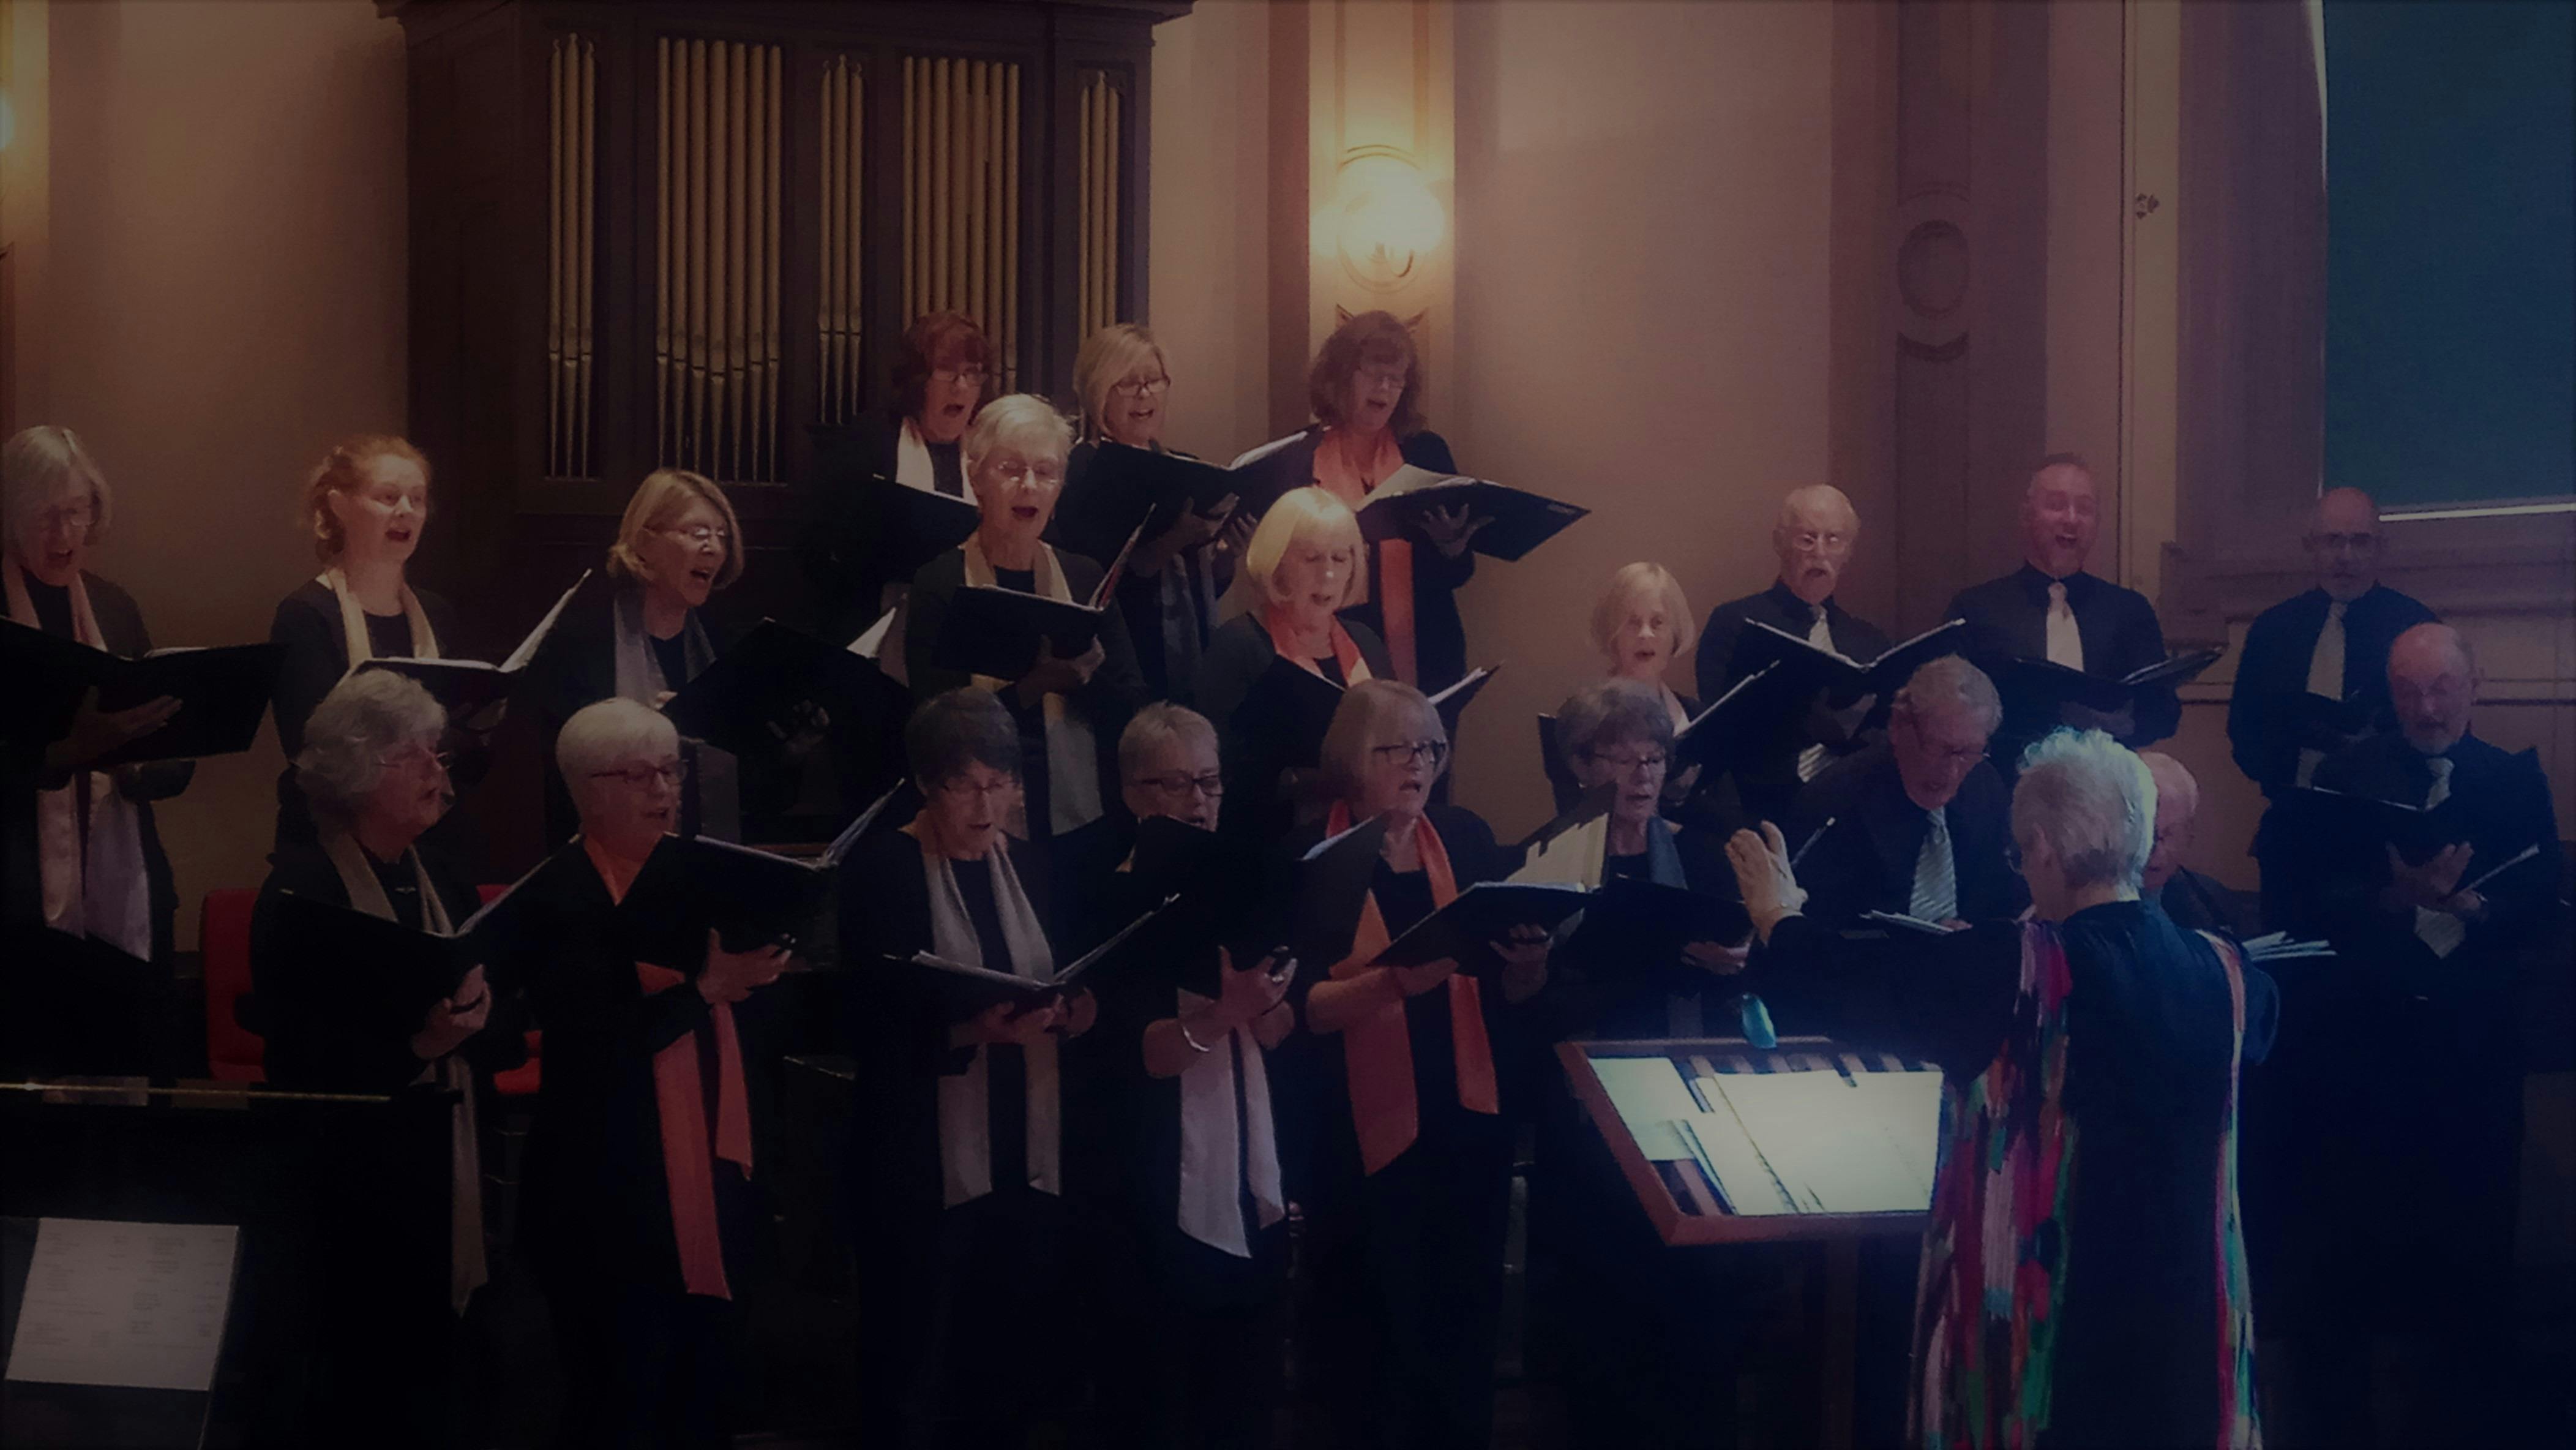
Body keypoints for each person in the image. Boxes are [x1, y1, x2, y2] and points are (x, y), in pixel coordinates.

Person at [1728, 729, 2273, 1450]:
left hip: (2042, 1339)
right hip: (2184, 1334)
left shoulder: (2013, 968)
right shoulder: (2232, 977)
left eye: (2019, 854)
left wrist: (1776, 917)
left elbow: (1856, 990)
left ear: (2043, 849)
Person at [2267, 623, 2560, 1447]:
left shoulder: (2512, 781)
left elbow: (2544, 900)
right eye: (2409, 693)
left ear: (2474, 687)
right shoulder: (2347, 777)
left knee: (2473, 1252)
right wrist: (2393, 900)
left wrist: (2475, 907)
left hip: (2474, 1051)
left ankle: (2462, 1422)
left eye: (2441, 689)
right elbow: (2302, 904)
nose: (2426, 709)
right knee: (2354, 1249)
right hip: (2372, 1053)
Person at [490, 697, 790, 1446]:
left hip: (713, 1176)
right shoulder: (555, 895)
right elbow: (590, 1048)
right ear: (587, 790)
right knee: (619, 1397)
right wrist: (706, 990)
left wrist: (758, 970)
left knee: (705, 1391)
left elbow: (738, 1020)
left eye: (669, 771)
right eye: (639, 775)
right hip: (606, 1193)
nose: (663, 790)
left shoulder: (700, 875)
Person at [245, 670, 519, 1446]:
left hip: (451, 1161)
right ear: (363, 769)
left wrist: (483, 1016)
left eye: (441, 754)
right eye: (421, 757)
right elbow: (299, 1059)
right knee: (367, 1392)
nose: (442, 771)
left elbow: (502, 1021)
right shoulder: (301, 892)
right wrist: (422, 1041)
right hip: (352, 1194)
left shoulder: (443, 874)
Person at [1282, 679, 1549, 1450]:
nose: (1417, 763)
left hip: (1466, 1126)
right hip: (1358, 1140)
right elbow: (1302, 1007)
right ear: (1351, 760)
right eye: (1395, 748)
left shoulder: (1463, 840)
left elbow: (1501, 984)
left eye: (1429, 747)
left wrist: (1527, 969)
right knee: (1368, 1338)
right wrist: (1388, 984)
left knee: (1462, 1330)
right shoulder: (1313, 857)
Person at [837, 688, 1099, 1449]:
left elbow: (1069, 973)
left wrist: (1077, 1011)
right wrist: (965, 1028)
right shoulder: (883, 869)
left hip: (1027, 1149)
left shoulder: (1033, 866)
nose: (987, 807)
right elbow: (861, 1019)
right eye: (965, 786)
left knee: (1010, 1355)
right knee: (913, 1357)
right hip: (922, 1161)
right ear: (925, 783)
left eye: (1000, 784)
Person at [1083, 704, 1295, 1450]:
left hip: (1245, 1167)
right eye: (1175, 785)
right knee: (1156, 1400)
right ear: (1130, 793)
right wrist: (1221, 1014)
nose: (1198, 801)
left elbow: (1277, 1029)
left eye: (1208, 782)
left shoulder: (1251, 879)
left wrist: (1261, 1007)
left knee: (1242, 1396)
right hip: (1146, 1184)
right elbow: (1136, 1055)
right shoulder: (1104, 896)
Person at [0, 426, 192, 1074]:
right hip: (18, 905)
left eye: (75, 512)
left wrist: (139, 757)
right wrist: (65, 753)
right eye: (43, 517)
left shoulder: (114, 606)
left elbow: (175, 761)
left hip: (123, 893)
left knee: (125, 1094)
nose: (62, 536)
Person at [902, 394, 1146, 887]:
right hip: (976, 832)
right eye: (1010, 468)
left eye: (1046, 470)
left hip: (1083, 828)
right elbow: (935, 737)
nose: (1029, 485)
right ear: (976, 478)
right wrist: (1035, 687)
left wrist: (1085, 681)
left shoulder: (1083, 578)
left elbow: (1134, 709)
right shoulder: (941, 583)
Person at [1230, 310, 1483, 694]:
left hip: (1428, 657)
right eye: (1372, 374)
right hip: (1325, 658)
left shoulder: (1426, 453)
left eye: (1396, 379)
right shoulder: (1296, 459)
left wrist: (1451, 549)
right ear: (1338, 378)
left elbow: (1459, 574)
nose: (1384, 388)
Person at [2230, 486, 2436, 917]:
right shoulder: (2273, 631)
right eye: (2332, 541)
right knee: (2291, 966)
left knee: (2374, 972)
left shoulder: (2415, 628)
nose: (2345, 555)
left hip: (2387, 837)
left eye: (2360, 541)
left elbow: (2444, 735)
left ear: (2381, 548)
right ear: (2311, 547)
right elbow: (2243, 730)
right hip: (2294, 829)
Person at [526, 468, 750, 844]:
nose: (713, 547)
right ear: (644, 541)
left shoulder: (725, 644)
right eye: (697, 533)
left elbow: (753, 786)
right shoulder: (582, 641)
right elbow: (565, 774)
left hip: (712, 852)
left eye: (721, 536)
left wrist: (786, 751)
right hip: (605, 856)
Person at [268, 434, 468, 850]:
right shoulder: (306, 614)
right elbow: (313, 751)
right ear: (341, 507)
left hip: (432, 835)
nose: (405, 512)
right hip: (332, 839)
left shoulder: (437, 614)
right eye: (388, 497)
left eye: (418, 499)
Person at [1194, 486, 1395, 844]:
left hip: (1363, 837)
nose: (1329, 575)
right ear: (1278, 562)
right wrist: (1302, 780)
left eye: (1340, 558)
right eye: (1313, 558)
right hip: (1270, 840)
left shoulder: (1367, 643)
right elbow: (1217, 773)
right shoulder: (1238, 646)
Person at [1053, 324, 1241, 702]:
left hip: (1189, 662)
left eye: (1153, 380)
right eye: (1128, 383)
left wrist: (1227, 549)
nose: (1144, 394)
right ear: (1098, 391)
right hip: (1119, 665)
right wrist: (1174, 540)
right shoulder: (1081, 469)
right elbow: (1095, 583)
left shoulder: (1182, 467)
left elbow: (1206, 588)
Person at [1948, 453, 2179, 754]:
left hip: (2106, 784)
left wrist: (2118, 719)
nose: (2071, 519)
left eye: (2084, 509)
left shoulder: (2130, 612)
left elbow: (2164, 716)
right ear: (2026, 515)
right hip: (2006, 785)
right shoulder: (1976, 610)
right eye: (2056, 505)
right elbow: (1952, 714)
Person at [1784, 655, 2027, 930]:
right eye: (1939, 749)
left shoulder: (1986, 788)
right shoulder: (1834, 802)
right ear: (1898, 725)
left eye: (1969, 753)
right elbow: (1807, 928)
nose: (1952, 772)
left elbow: (2003, 898)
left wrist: (1977, 935)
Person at [1694, 486, 1891, 825]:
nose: (1820, 552)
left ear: (1849, 552)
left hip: (1850, 812)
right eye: (1807, 539)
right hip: (1759, 807)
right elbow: (1719, 726)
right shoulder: (1736, 623)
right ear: (1780, 543)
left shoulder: (1869, 641)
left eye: (1834, 540)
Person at [803, 310, 995, 640]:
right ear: (918, 380)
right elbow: (816, 543)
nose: (961, 387)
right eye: (947, 371)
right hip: (875, 621)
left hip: (967, 624)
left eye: (972, 373)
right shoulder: (871, 441)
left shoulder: (992, 450)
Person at [2139, 751, 2260, 939]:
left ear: (2190, 835)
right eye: (2145, 833)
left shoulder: (2212, 900)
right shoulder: (2084, 900)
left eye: (2169, 833)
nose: (2157, 851)